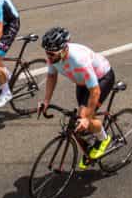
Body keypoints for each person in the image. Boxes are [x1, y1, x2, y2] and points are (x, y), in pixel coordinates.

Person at [37, 26, 115, 166]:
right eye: (47, 53)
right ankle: (92, 139)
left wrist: (87, 118)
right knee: (80, 118)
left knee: (86, 117)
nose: (49, 57)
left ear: (64, 49)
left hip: (101, 79)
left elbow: (95, 91)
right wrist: (46, 101)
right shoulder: (54, 57)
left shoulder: (79, 61)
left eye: (52, 54)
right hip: (82, 83)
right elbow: (51, 76)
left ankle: (103, 139)